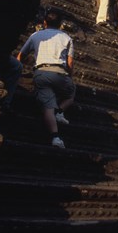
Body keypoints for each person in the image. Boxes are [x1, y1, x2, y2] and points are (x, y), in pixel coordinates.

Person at [17, 11, 76, 148]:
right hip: (60, 73)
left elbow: (21, 56)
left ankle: (55, 137)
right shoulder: (66, 37)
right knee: (71, 93)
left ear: (44, 22)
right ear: (60, 25)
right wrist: (69, 77)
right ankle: (59, 111)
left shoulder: (36, 35)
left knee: (47, 106)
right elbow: (70, 63)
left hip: (41, 72)